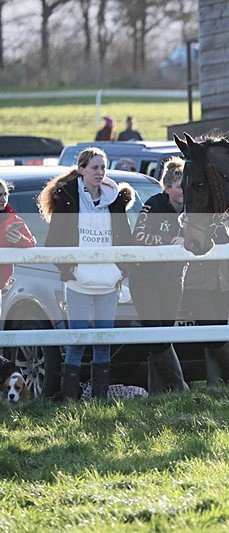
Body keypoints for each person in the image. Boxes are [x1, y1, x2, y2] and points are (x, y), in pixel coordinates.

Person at [38, 147, 134, 400]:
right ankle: (70, 397)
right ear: (81, 170)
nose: (100, 172)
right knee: (77, 339)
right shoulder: (67, 198)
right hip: (77, 280)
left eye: (103, 167)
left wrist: (120, 271)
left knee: (103, 341)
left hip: (109, 281)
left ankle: (99, 398)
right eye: (94, 167)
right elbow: (54, 242)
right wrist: (69, 270)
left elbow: (125, 240)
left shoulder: (116, 200)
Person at [130, 157, 190, 394]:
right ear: (167, 187)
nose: (183, 190)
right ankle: (179, 386)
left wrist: (187, 239)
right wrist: (166, 242)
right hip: (146, 280)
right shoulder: (153, 205)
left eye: (186, 185)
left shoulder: (191, 209)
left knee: (165, 335)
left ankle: (156, 392)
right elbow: (139, 236)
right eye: (178, 186)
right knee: (156, 333)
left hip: (175, 279)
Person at [182, 207, 229, 385]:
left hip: (222, 283)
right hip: (197, 283)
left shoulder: (227, 213)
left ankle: (215, 384)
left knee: (217, 333)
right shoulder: (192, 209)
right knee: (214, 333)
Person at [1, 178, 37, 315]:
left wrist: (19, 240)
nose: (3, 198)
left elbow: (31, 244)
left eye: (5, 195)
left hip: (2, 286)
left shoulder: (15, 220)